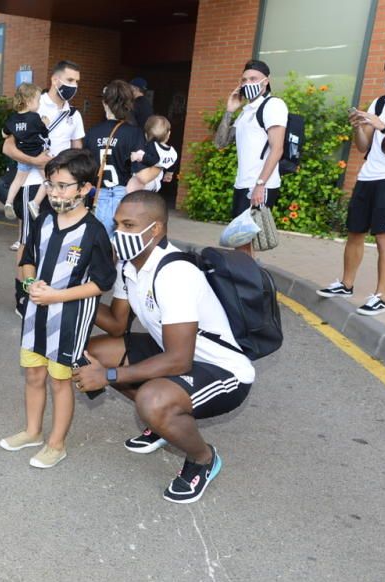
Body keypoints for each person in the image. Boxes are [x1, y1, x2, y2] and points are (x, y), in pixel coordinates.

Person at [75, 191, 255, 503]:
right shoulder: (130, 266)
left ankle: (202, 458)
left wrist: (109, 376)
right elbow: (118, 324)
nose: (119, 233)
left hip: (223, 371)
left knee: (152, 400)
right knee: (95, 353)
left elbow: (179, 360)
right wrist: (76, 291)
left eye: (129, 225)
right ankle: (163, 425)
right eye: (117, 224)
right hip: (174, 355)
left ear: (155, 229)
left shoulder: (175, 273)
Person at [0, 149, 115, 468]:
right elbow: (27, 259)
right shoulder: (45, 220)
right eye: (51, 184)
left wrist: (58, 297)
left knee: (59, 380)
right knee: (34, 375)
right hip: (36, 315)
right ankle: (33, 431)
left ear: (84, 189)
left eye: (63, 185)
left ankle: (56, 443)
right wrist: (29, 283)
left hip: (69, 320)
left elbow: (103, 282)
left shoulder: (94, 232)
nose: (54, 192)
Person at [316, 47, 385, 316]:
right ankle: (346, 284)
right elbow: (363, 146)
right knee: (355, 231)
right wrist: (359, 126)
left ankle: (381, 297)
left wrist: (383, 126)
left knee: (384, 237)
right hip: (368, 174)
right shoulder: (381, 102)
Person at [3, 60, 84, 298]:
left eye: (77, 82)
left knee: (58, 238)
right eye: (70, 81)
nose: (74, 86)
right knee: (27, 240)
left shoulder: (73, 114)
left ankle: (50, 290)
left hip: (64, 187)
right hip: (34, 184)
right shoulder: (35, 105)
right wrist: (37, 162)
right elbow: (8, 147)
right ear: (55, 80)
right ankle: (22, 294)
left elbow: (78, 149)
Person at [214, 60, 288, 253]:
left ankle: (247, 280)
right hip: (243, 183)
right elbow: (220, 143)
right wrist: (230, 111)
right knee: (242, 243)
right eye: (244, 80)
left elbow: (277, 148)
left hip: (259, 185)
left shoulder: (273, 105)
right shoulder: (246, 111)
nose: (248, 83)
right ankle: (247, 278)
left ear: (266, 81)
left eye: (253, 78)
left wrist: (260, 185)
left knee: (243, 242)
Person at [86, 80, 146, 237]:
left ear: (105, 103)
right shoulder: (135, 133)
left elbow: (86, 166)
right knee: (121, 246)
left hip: (98, 195)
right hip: (124, 193)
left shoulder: (93, 132)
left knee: (99, 245)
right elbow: (139, 171)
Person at [2, 83, 50, 221]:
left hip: (23, 156)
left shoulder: (12, 119)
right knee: (48, 179)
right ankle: (35, 203)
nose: (39, 104)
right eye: (38, 101)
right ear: (29, 102)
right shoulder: (35, 118)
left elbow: (4, 133)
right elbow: (44, 132)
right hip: (38, 154)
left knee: (18, 180)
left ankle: (9, 202)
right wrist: (45, 122)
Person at [127, 115, 178, 193]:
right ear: (168, 134)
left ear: (146, 135)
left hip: (144, 184)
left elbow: (152, 160)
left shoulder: (152, 147)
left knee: (131, 186)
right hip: (156, 184)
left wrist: (139, 157)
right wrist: (169, 173)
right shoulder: (171, 151)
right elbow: (173, 163)